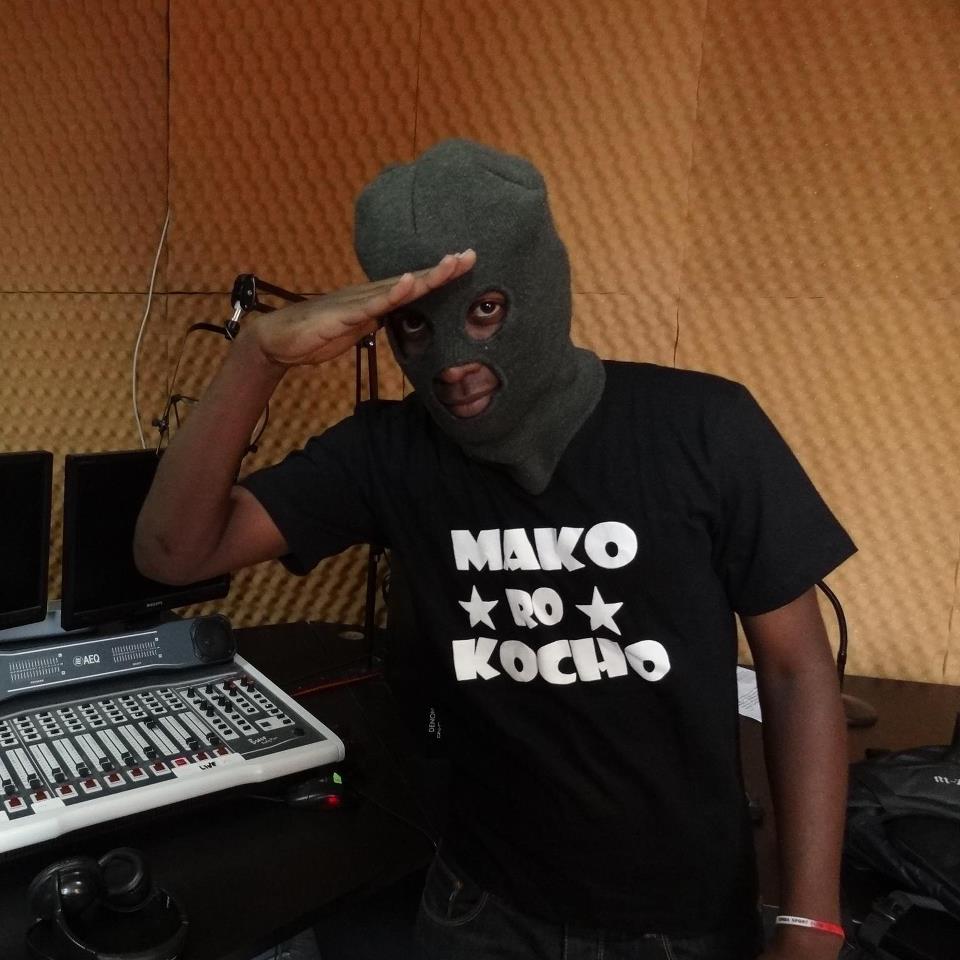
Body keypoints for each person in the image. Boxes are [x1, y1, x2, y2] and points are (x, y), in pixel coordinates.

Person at [135, 139, 855, 960]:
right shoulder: (389, 452)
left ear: (539, 286)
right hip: (481, 905)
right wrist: (256, 356)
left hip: (679, 921)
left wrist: (811, 922)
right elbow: (173, 553)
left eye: (484, 311)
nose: (451, 366)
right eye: (416, 325)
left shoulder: (702, 427)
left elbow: (796, 672)